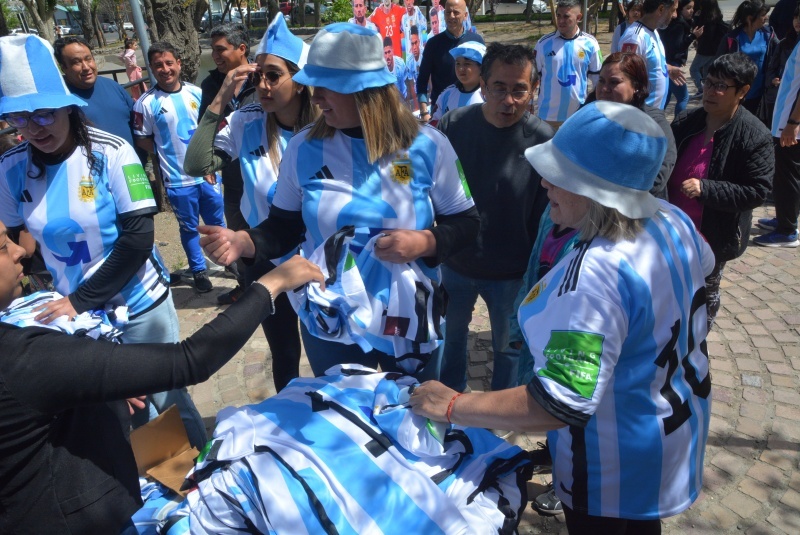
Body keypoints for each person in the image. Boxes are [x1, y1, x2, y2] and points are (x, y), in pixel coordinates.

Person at [409, 100, 715, 534]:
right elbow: (703, 267)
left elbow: (557, 402)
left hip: (612, 466)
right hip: (670, 434)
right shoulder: (672, 219)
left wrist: (455, 404)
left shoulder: (596, 275)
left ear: (595, 190)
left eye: (559, 175)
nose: (544, 182)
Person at [0, 216, 323, 534]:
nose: (20, 251)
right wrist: (272, 284)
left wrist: (95, 390)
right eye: (2, 246)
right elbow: (190, 360)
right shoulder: (19, 360)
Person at [199, 23, 479, 378]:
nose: (314, 98)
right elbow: (284, 226)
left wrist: (426, 241)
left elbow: (468, 223)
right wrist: (246, 241)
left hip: (408, 319)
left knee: (414, 418)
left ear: (365, 90)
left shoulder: (428, 145)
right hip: (332, 319)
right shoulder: (302, 148)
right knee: (343, 422)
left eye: (326, 88)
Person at [0, 34, 209, 449]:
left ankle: (197, 481)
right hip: (79, 319)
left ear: (65, 105)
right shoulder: (10, 168)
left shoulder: (112, 152)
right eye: (19, 119)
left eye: (42, 114)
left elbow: (138, 238)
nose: (32, 129)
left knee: (164, 407)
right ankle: (148, 492)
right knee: (116, 411)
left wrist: (81, 300)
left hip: (136, 305)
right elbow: (12, 237)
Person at [185, 14, 317, 392]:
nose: (263, 84)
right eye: (258, 75)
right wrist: (224, 94)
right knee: (284, 351)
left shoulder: (324, 128)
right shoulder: (247, 120)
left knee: (327, 344)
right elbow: (196, 163)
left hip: (316, 256)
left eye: (274, 75)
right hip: (262, 255)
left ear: (300, 78)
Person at [437, 43, 553, 396]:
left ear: (533, 90)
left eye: (519, 89)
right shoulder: (453, 125)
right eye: (499, 88)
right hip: (455, 263)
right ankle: (447, 401)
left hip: (511, 274)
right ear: (483, 86)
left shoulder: (544, 142)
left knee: (508, 348)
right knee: (449, 339)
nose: (509, 100)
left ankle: (500, 409)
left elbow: (547, 215)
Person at [671, 53, 773, 325]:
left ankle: (696, 355)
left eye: (721, 86)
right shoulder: (684, 123)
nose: (710, 91)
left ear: (742, 92)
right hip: (670, 232)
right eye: (708, 82)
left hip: (712, 237)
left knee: (701, 304)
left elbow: (756, 191)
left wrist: (706, 188)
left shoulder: (754, 135)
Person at [134, 42, 227, 294]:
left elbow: (216, 126)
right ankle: (198, 270)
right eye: (158, 65)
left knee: (218, 222)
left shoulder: (198, 93)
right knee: (189, 228)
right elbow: (142, 138)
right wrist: (167, 153)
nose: (164, 69)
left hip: (207, 176)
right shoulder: (146, 103)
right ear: (152, 69)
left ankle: (228, 262)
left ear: (179, 64)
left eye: (169, 63)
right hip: (178, 181)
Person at [199, 23, 258, 305]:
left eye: (221, 49)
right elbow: (206, 125)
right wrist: (211, 162)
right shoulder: (211, 84)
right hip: (233, 177)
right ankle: (245, 286)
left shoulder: (265, 78)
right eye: (213, 50)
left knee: (267, 231)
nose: (215, 55)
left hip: (265, 174)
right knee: (236, 233)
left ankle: (274, 285)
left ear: (241, 49)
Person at [590, 52, 677, 199]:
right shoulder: (589, 116)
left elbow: (659, 177)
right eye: (601, 81)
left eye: (614, 82)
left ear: (636, 86)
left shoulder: (654, 124)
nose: (604, 89)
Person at [53, 36, 140, 152]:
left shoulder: (113, 86)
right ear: (63, 67)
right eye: (76, 62)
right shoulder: (58, 101)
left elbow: (137, 124)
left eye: (88, 59)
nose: (86, 67)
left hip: (134, 166)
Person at [754, 31, 800, 248]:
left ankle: (787, 230)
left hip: (791, 124)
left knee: (787, 178)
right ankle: (784, 219)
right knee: (784, 176)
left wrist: (792, 123)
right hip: (786, 119)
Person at [533, 0, 603, 129]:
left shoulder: (591, 43)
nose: (560, 20)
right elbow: (532, 78)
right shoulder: (543, 44)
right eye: (558, 15)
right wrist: (529, 104)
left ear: (579, 17)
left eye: (566, 16)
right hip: (548, 117)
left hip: (577, 117)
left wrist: (597, 108)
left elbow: (598, 80)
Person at [417, 0, 485, 122]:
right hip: (441, 111)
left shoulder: (476, 41)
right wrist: (424, 112)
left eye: (456, 12)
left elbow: (486, 74)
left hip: (472, 108)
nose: (451, 16)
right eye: (448, 12)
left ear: (465, 15)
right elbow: (422, 79)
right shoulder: (433, 44)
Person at [716, 0, 778, 116]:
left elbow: (781, 53)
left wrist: (774, 77)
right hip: (737, 92)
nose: (766, 18)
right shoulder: (732, 38)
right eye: (763, 15)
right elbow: (719, 64)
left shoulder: (768, 34)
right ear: (750, 18)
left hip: (761, 92)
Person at [619, 0, 681, 109]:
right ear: (661, 9)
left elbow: (647, 64)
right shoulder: (635, 38)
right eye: (673, 10)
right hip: (641, 115)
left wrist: (667, 68)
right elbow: (625, 77)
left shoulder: (654, 32)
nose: (675, 15)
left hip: (654, 114)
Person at [761, 5, 800, 129]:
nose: (797, 21)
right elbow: (771, 68)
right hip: (778, 96)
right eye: (795, 18)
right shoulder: (784, 43)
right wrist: (772, 80)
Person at [430, 41, 486, 126]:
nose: (461, 68)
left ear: (482, 67)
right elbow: (434, 124)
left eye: (467, 64)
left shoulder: (489, 95)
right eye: (458, 63)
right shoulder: (447, 95)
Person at [661, 0, 703, 114]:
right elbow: (677, 46)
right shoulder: (678, 24)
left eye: (692, 8)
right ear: (680, 9)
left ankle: (657, 122)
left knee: (666, 98)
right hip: (671, 65)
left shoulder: (681, 22)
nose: (691, 11)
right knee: (684, 97)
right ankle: (679, 124)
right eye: (688, 8)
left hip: (669, 64)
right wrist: (693, 36)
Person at [689, 0, 728, 99]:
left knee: (693, 69)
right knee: (707, 70)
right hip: (715, 49)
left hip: (705, 50)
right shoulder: (717, 16)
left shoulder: (705, 18)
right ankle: (707, 90)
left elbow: (702, 33)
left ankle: (702, 89)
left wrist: (696, 17)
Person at [383, 35, 413, 103]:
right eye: (385, 53)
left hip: (403, 99)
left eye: (389, 52)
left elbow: (406, 81)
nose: (387, 56)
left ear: (392, 50)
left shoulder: (400, 63)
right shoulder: (382, 69)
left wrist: (407, 100)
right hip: (391, 102)